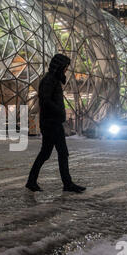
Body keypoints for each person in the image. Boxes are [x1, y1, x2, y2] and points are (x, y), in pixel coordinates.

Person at [26, 54, 86, 193]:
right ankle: (67, 183)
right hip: (51, 123)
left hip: (52, 122)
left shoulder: (53, 80)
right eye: (65, 67)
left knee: (46, 154)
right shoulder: (49, 80)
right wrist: (59, 111)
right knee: (61, 153)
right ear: (59, 66)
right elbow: (45, 99)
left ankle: (32, 181)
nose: (66, 70)